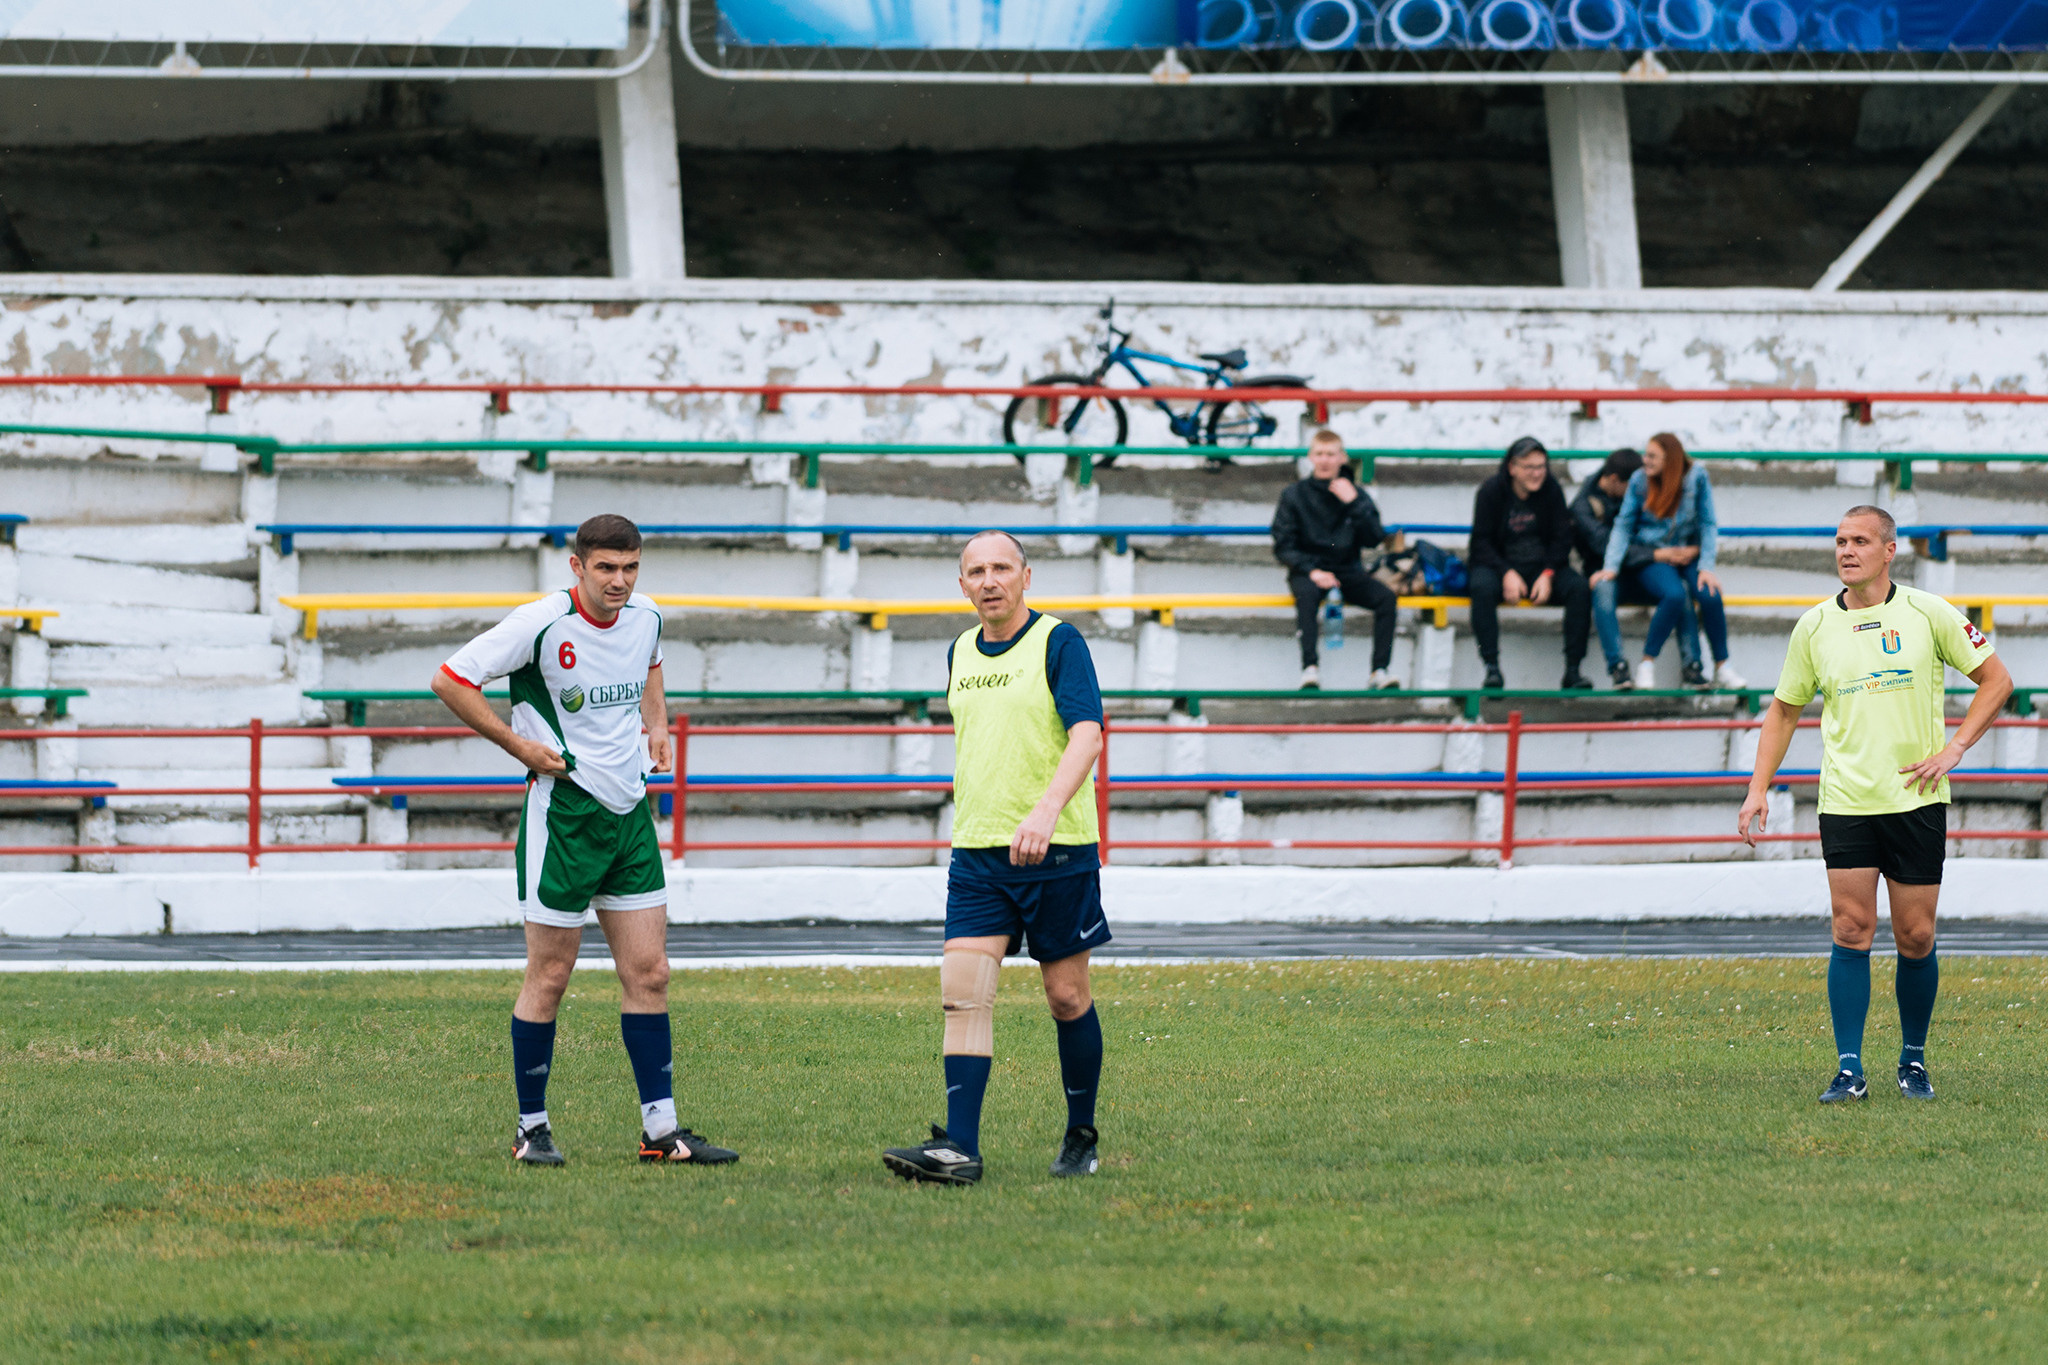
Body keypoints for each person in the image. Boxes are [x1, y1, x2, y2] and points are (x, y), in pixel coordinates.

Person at [430, 514, 738, 1168]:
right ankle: (530, 1129)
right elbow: (450, 679)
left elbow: (650, 664)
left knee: (650, 973)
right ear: (577, 567)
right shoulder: (539, 623)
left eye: (629, 568)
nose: (619, 581)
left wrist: (657, 727)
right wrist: (519, 746)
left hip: (628, 815)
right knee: (550, 974)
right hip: (564, 815)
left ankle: (662, 1132)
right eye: (605, 568)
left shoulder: (646, 615)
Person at [1738, 505, 2011, 1105]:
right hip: (1846, 800)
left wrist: (1957, 747)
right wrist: (1758, 787)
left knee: (1915, 935)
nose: (1846, 550)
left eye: (1860, 540)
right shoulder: (1813, 627)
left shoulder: (1927, 612)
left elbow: (1997, 679)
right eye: (1839, 540)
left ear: (1890, 550)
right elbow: (1784, 710)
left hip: (1915, 798)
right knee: (1850, 928)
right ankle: (1849, 1069)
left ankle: (1912, 1062)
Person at [883, 530, 1108, 1186]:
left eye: (1001, 568)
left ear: (1025, 576)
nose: (989, 580)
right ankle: (960, 1147)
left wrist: (1043, 812)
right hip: (978, 851)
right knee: (963, 996)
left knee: (1066, 997)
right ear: (962, 585)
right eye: (976, 571)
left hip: (1057, 848)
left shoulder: (1058, 642)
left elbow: (1088, 734)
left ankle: (1080, 1133)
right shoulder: (959, 651)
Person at [1592, 432, 1746, 692]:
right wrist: (1611, 566)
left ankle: (1723, 666)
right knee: (1675, 594)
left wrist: (1706, 567)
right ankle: (1647, 662)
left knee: (1709, 594)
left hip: (1687, 554)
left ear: (1670, 460)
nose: (1645, 461)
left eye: (1652, 456)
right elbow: (1623, 525)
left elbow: (1708, 523)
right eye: (1646, 454)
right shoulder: (1640, 481)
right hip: (1655, 555)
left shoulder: (1696, 477)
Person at [1271, 429, 1399, 690]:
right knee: (1306, 595)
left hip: (1347, 571)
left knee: (1386, 598)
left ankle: (1379, 671)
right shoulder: (1293, 495)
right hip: (1308, 571)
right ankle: (1310, 669)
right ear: (1310, 457)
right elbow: (1283, 546)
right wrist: (1312, 570)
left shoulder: (1356, 495)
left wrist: (1353, 503)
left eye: (1331, 454)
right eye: (1319, 454)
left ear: (1342, 457)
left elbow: (1374, 538)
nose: (1325, 460)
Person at [1466, 435, 1593, 691]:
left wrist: (1547, 573)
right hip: (1499, 565)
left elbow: (1562, 538)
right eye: (1529, 467)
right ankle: (1491, 668)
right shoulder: (1490, 491)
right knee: (1480, 587)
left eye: (1541, 467)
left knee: (1579, 588)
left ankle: (1573, 670)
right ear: (1512, 468)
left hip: (1541, 567)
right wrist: (1506, 573)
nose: (1537, 474)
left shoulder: (1552, 490)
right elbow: (1480, 542)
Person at [1571, 447, 1658, 691]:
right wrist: (1655, 553)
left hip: (1638, 568)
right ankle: (1618, 667)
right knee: (1603, 590)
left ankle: (1693, 666)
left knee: (1678, 589)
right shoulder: (1582, 507)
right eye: (1633, 485)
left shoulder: (1630, 488)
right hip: (1605, 571)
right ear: (1613, 480)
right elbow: (1605, 544)